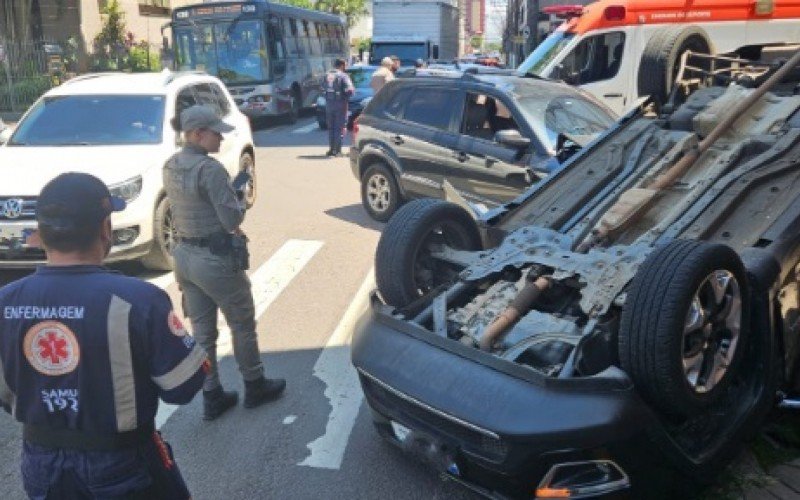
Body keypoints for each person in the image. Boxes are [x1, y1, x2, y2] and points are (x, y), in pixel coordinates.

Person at [0, 172, 206, 499]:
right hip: (123, 463)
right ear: (105, 229)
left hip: (41, 466)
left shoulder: (6, 302)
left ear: (39, 234)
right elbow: (184, 385)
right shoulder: (137, 299)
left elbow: (7, 393)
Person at [164, 105, 285, 421]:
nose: (220, 138)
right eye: (215, 132)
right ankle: (255, 383)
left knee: (203, 332)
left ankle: (212, 394)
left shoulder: (171, 165)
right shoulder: (211, 170)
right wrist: (238, 196)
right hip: (215, 259)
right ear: (198, 133)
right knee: (241, 323)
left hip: (184, 256)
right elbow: (231, 219)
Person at [322, 58, 355, 157]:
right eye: (345, 65)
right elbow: (350, 90)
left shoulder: (327, 75)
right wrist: (346, 97)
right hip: (341, 104)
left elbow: (322, 87)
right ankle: (337, 150)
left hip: (329, 104)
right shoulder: (343, 76)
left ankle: (331, 149)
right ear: (341, 65)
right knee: (339, 127)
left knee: (331, 127)